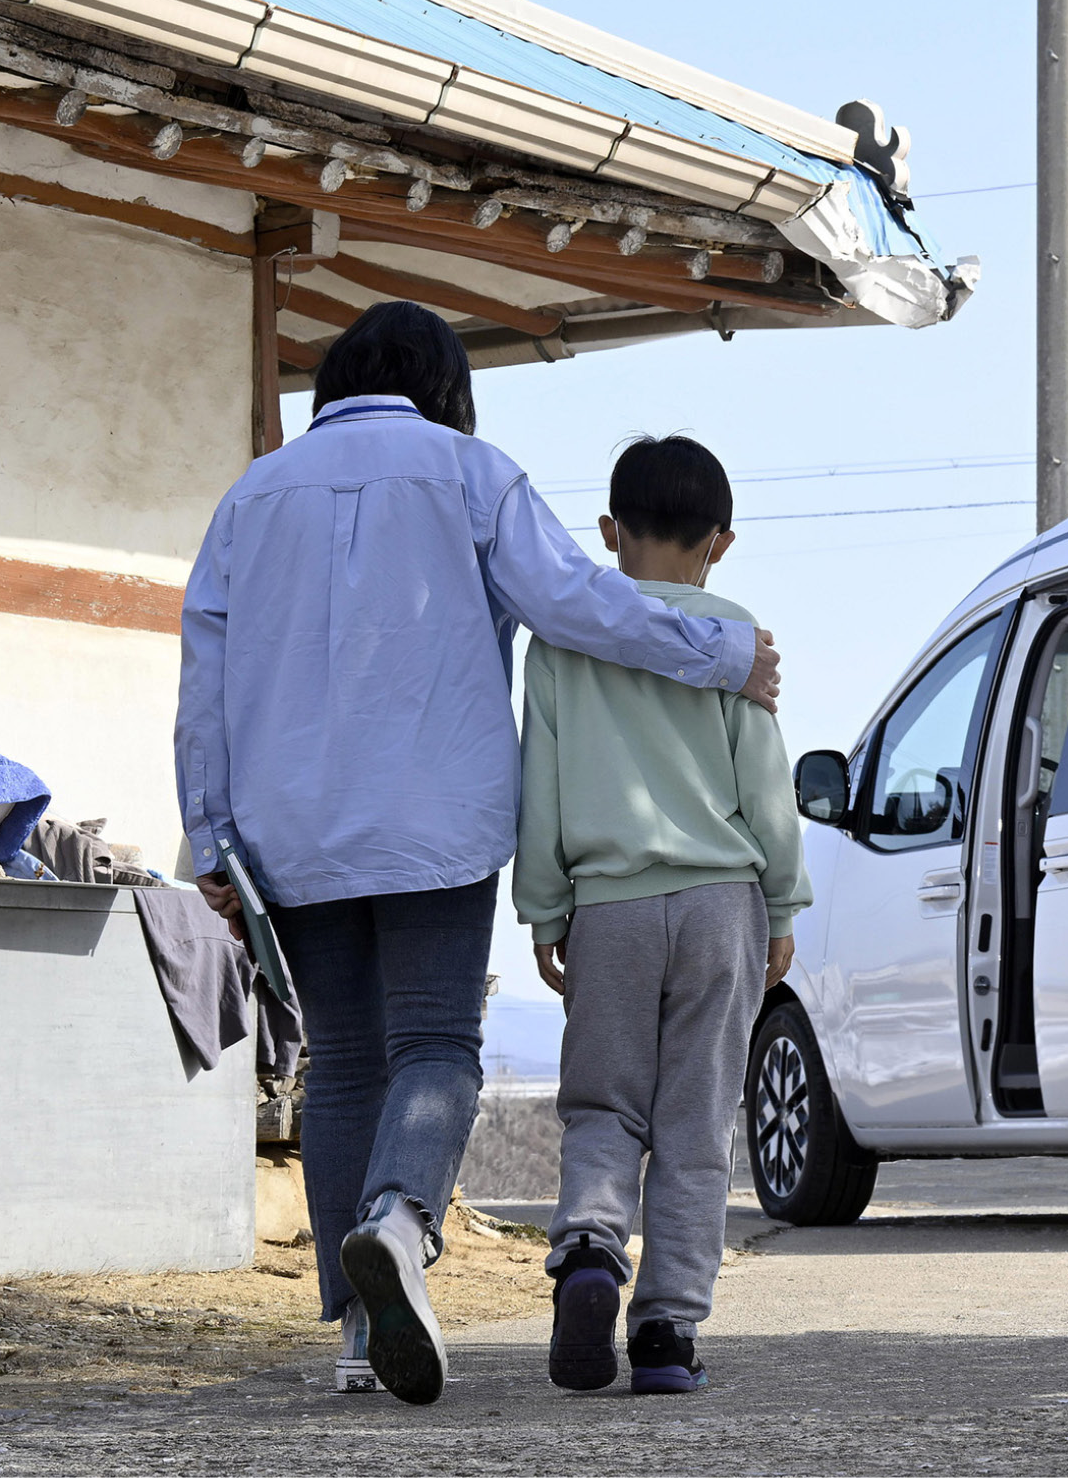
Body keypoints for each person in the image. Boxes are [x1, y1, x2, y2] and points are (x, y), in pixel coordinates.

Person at [174, 303, 783, 1406]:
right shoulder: (468, 473)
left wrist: (208, 832)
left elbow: (203, 679)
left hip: (290, 826)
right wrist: (722, 651)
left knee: (345, 1062)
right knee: (439, 1046)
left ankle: (361, 1335)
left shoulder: (248, 497)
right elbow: (580, 606)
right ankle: (402, 1224)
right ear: (447, 387)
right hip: (434, 821)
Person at [513, 435, 808, 1395]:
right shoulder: (736, 635)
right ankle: (667, 1335)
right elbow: (767, 792)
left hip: (609, 908)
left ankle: (592, 1251)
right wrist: (781, 907)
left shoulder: (563, 642)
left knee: (604, 1104)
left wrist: (545, 907)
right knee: (697, 1122)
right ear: (720, 542)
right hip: (723, 903)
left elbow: (541, 785)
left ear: (607, 534)